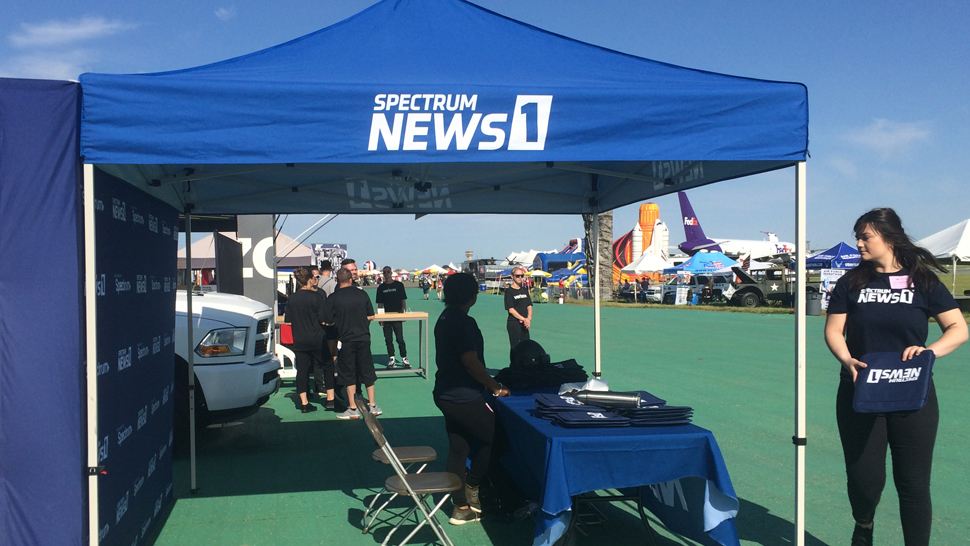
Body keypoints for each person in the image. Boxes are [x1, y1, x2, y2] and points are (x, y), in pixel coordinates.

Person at [824, 208, 968, 546]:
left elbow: (958, 329)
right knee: (864, 479)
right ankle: (864, 525)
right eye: (857, 236)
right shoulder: (852, 282)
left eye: (865, 236)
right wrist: (847, 360)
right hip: (861, 392)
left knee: (914, 484)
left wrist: (930, 351)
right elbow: (833, 330)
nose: (858, 243)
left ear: (889, 239)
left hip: (912, 394)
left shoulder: (924, 282)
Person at [432, 272, 510, 525]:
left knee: (459, 447)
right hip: (462, 395)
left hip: (446, 393)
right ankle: (472, 486)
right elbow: (471, 363)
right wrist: (495, 387)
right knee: (496, 439)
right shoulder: (462, 322)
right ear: (472, 296)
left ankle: (461, 507)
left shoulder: (445, 317)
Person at [325, 267, 379, 419]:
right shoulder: (362, 294)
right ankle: (373, 405)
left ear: (337, 280)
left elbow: (326, 320)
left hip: (346, 339)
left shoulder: (334, 298)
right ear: (351, 279)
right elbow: (371, 316)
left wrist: (339, 321)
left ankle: (353, 408)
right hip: (363, 337)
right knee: (367, 371)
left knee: (348, 373)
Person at [283, 267, 330, 413]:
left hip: (300, 338)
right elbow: (324, 319)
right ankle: (330, 399)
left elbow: (288, 320)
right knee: (327, 365)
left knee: (302, 370)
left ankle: (304, 403)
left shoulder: (292, 298)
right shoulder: (317, 297)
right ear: (310, 279)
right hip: (317, 337)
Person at [376, 266, 410, 369]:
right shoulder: (381, 288)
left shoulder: (399, 285)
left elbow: (403, 300)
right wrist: (380, 318)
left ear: (391, 273)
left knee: (400, 338)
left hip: (397, 315)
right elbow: (380, 304)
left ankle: (404, 358)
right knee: (388, 339)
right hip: (386, 317)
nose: (386, 274)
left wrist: (403, 313)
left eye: (388, 272)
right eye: (384, 272)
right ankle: (392, 358)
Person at [504, 267, 533, 348]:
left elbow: (529, 305)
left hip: (525, 324)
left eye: (521, 275)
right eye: (517, 276)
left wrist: (528, 319)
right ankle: (514, 361)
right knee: (515, 347)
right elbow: (511, 309)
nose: (520, 278)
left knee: (526, 346)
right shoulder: (509, 292)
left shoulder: (524, 290)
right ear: (512, 276)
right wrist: (524, 319)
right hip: (514, 323)